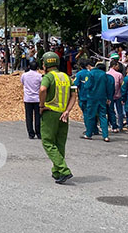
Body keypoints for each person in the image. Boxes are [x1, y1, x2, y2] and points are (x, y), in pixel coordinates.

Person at [38, 52, 78, 184]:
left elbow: (43, 89)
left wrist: (41, 105)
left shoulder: (48, 77)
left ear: (46, 64)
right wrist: (67, 110)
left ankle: (64, 169)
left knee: (48, 142)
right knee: (60, 143)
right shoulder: (67, 77)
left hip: (50, 113)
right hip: (63, 114)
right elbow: (73, 95)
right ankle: (57, 172)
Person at [83, 62, 113, 141]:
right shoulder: (104, 74)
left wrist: (85, 83)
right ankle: (105, 135)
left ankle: (88, 134)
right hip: (102, 97)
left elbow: (87, 86)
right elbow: (108, 86)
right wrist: (109, 97)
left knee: (91, 116)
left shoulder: (90, 74)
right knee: (103, 116)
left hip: (92, 97)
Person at [20, 60, 42, 139]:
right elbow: (42, 86)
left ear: (29, 67)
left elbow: (22, 82)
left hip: (28, 98)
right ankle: (39, 132)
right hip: (37, 98)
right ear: (37, 67)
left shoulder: (24, 75)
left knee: (28, 117)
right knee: (38, 116)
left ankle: (31, 133)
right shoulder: (39, 76)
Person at [73, 59, 92, 135]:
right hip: (91, 96)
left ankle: (88, 130)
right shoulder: (90, 73)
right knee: (92, 113)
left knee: (86, 113)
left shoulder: (79, 74)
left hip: (83, 96)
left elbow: (75, 84)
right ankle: (94, 128)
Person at [107, 58, 124, 133]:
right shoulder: (119, 75)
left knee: (111, 111)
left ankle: (112, 125)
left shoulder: (107, 74)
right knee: (119, 111)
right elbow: (122, 85)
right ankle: (120, 125)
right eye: (117, 65)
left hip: (109, 95)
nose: (118, 67)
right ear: (114, 66)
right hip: (118, 95)